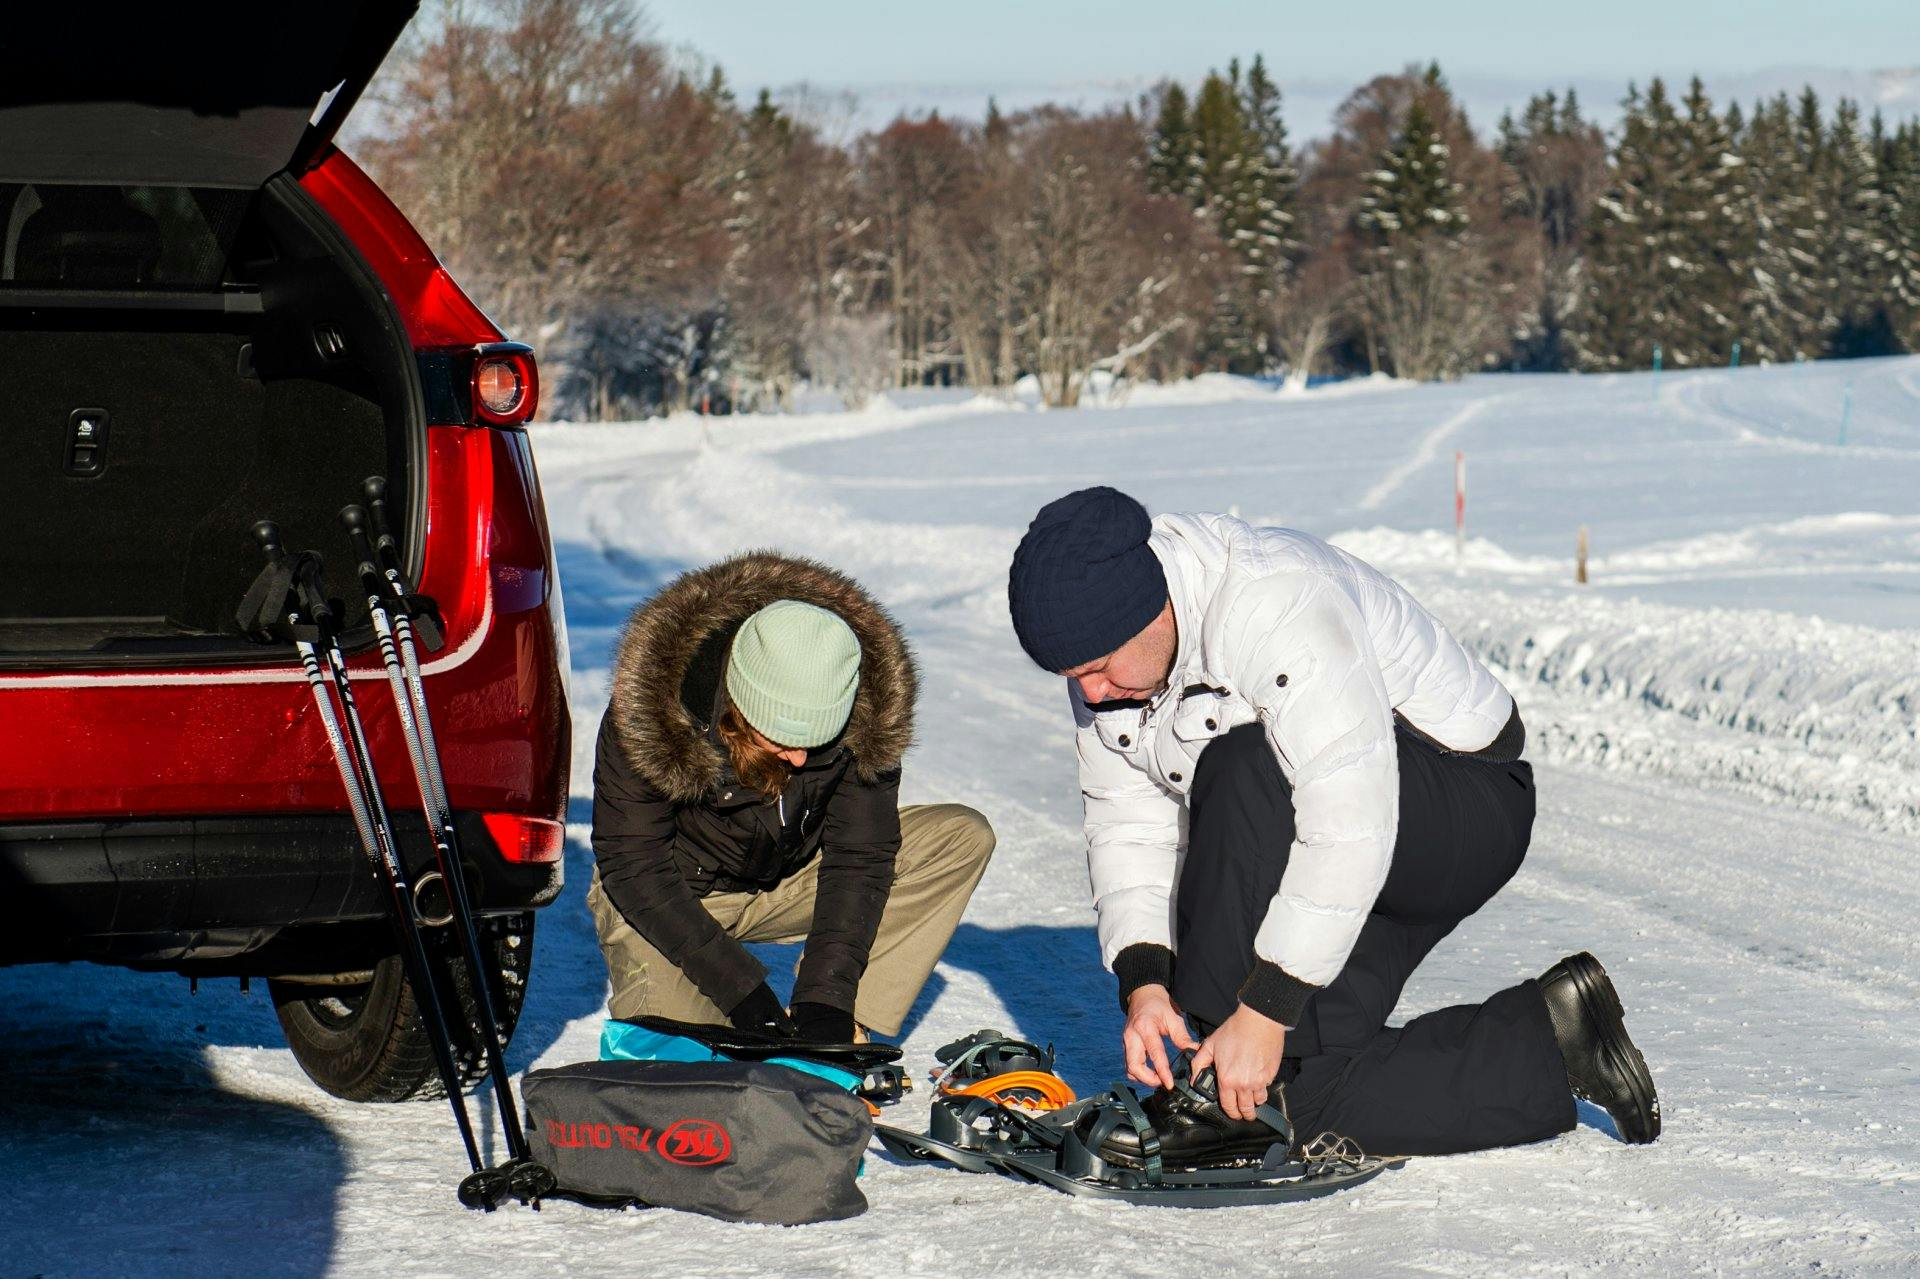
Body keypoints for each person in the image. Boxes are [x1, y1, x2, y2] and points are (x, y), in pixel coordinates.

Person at [1006, 486, 1660, 1164]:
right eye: (1070, 674)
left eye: (1097, 668)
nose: (1088, 692)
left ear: (1148, 611)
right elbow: (1128, 821)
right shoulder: (1112, 659)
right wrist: (1144, 984)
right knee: (1299, 1092)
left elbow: (1349, 815)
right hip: (1337, 830)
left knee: (1242, 765)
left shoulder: (1274, 604)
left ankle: (1215, 1094)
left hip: (1458, 802)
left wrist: (1260, 1013)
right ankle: (1557, 1039)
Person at [588, 551, 994, 1043]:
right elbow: (634, 866)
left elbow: (859, 856)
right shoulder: (655, 712)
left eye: (816, 740)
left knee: (960, 838)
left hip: (786, 882)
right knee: (681, 1065)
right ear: (738, 704)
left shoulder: (863, 711)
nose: (800, 760)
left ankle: (844, 1030)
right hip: (671, 897)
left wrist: (826, 998)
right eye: (780, 739)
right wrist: (741, 989)